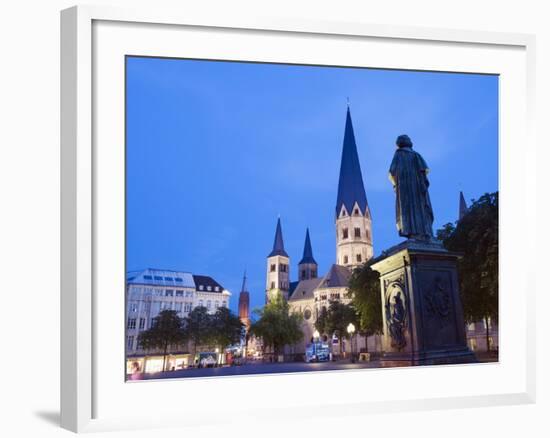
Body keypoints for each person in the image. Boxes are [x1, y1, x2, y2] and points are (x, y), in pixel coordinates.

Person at [389, 135, 434, 241]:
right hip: (418, 188)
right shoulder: (416, 155)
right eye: (409, 139)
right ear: (405, 142)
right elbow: (423, 171)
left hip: (405, 189)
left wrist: (397, 184)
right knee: (421, 208)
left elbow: (392, 171)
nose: (411, 140)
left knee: (408, 209)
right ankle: (424, 232)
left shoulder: (399, 155)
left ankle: (412, 232)